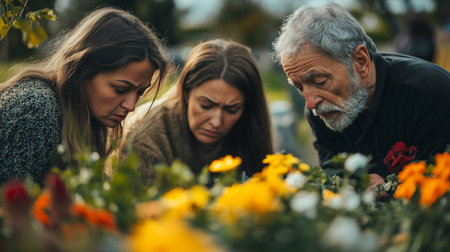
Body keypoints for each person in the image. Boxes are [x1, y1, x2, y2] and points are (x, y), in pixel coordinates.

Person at [273, 4, 450, 191]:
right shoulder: (321, 112)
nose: (310, 102)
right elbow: (333, 182)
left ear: (361, 61)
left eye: (320, 81)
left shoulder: (430, 94)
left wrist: (394, 187)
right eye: (299, 87)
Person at [0, 7, 169, 183]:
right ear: (83, 70)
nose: (131, 105)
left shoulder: (91, 119)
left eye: (139, 92)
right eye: (120, 89)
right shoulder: (34, 110)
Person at [121, 39, 273, 185]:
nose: (216, 121)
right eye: (206, 105)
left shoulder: (250, 130)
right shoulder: (145, 136)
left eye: (232, 109)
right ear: (186, 92)